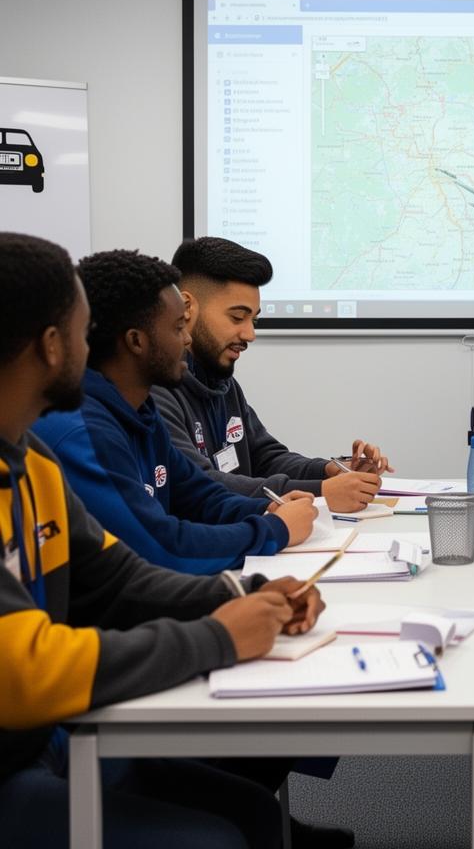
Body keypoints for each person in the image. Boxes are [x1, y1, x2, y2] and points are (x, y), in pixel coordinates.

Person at [0, 232, 332, 849]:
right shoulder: (72, 432)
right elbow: (23, 670)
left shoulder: (33, 461)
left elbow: (120, 574)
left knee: (256, 814)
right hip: (17, 757)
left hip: (50, 736)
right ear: (51, 346)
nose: (90, 344)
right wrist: (219, 636)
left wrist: (247, 593)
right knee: (217, 837)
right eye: (80, 331)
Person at [33, 249, 318, 574]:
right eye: (178, 327)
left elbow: (199, 495)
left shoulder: (139, 411)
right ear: (136, 341)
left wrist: (267, 508)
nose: (186, 339)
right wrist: (273, 530)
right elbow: (160, 546)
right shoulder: (83, 430)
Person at [151, 237, 386, 511]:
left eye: (254, 320)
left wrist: (329, 471)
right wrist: (321, 492)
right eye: (237, 318)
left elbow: (265, 457)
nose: (250, 334)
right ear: (187, 307)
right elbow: (200, 485)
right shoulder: (155, 390)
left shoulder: (224, 383)